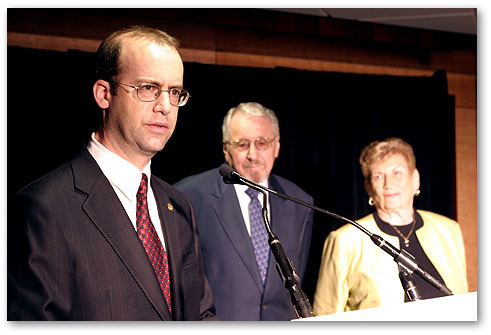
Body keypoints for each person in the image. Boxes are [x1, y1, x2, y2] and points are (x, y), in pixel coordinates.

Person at [8, 26, 218, 321]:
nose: (165, 106)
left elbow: (199, 315)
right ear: (104, 94)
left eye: (174, 92)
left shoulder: (178, 205)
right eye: (148, 88)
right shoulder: (43, 208)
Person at [174, 102, 314, 321]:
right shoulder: (188, 196)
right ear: (225, 148)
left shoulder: (299, 202)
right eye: (242, 144)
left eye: (262, 143)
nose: (252, 154)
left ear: (276, 146)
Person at [313, 137, 468, 315]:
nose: (388, 184)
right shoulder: (345, 240)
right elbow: (325, 314)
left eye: (397, 172)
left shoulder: (449, 231)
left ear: (415, 179)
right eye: (378, 177)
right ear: (369, 188)